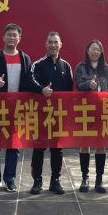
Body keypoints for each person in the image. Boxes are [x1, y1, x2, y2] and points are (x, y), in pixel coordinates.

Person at [0, 23, 32, 192]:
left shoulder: (25, 58)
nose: (12, 37)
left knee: (14, 145)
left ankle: (10, 179)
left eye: (15, 35)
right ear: (3, 37)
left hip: (17, 108)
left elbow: (30, 79)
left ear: (19, 38)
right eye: (9, 35)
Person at [28, 32, 74, 195]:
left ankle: (55, 181)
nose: (53, 45)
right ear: (45, 44)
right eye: (50, 42)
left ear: (60, 45)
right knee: (39, 148)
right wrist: (41, 90)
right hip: (41, 114)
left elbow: (69, 91)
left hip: (59, 115)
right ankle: (37, 181)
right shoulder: (38, 64)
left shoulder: (66, 66)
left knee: (57, 149)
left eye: (56, 42)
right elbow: (30, 81)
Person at [75, 40, 108, 194]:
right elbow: (78, 85)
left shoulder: (107, 69)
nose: (95, 52)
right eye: (93, 49)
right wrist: (88, 85)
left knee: (100, 145)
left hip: (103, 111)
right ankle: (85, 178)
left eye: (98, 50)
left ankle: (99, 179)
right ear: (87, 51)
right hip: (85, 110)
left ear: (101, 52)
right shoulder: (80, 67)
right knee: (84, 144)